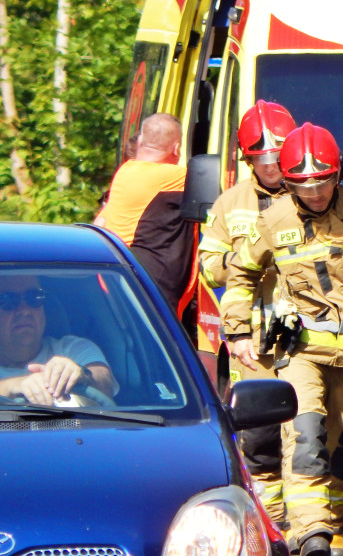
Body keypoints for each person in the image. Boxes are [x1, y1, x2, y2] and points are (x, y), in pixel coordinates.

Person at [222, 123, 343, 556]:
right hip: (301, 352)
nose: (314, 193)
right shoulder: (273, 221)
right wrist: (236, 333)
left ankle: (335, 524)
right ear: (289, 184)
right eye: (303, 186)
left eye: (323, 182)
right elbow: (241, 277)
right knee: (306, 435)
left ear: (337, 174)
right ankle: (310, 530)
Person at [198, 100, 296, 525]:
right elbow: (208, 262)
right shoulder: (229, 203)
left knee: (309, 429)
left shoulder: (312, 193)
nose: (271, 164)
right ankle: (271, 520)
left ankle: (309, 518)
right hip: (251, 340)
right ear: (248, 157)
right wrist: (245, 262)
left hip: (305, 331)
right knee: (259, 434)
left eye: (277, 155)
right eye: (262, 157)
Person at [94, 113, 198, 322]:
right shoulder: (173, 177)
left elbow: (99, 222)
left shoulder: (125, 171)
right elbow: (219, 183)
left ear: (141, 140)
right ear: (176, 148)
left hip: (118, 279)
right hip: (145, 285)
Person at [0, 275, 117, 405]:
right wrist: (11, 386)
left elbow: (105, 383)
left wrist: (82, 375)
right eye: (8, 300)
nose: (25, 311)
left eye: (34, 298)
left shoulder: (72, 349)